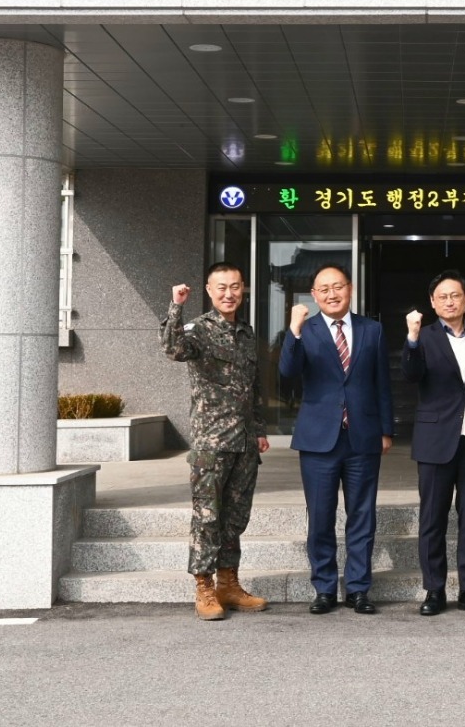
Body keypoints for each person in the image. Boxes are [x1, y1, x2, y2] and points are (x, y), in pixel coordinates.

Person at [279, 263, 394, 615]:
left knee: (362, 516)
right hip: (318, 440)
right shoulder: (305, 330)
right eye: (324, 289)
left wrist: (385, 430)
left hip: (363, 437)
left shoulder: (372, 329)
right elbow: (287, 371)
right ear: (314, 295)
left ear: (350, 288)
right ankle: (325, 588)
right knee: (321, 517)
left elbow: (382, 383)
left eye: (338, 286)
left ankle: (358, 589)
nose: (332, 294)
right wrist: (293, 330)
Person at [161, 262, 270, 621]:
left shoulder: (247, 333)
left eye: (235, 286)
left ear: (243, 289)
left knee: (235, 518)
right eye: (221, 287)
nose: (229, 293)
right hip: (212, 441)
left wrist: (259, 429)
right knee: (207, 517)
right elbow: (173, 349)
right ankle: (204, 587)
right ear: (209, 290)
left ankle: (229, 584)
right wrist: (176, 306)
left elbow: (253, 386)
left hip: (244, 441)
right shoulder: (199, 329)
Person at [402, 270, 465, 617]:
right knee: (432, 519)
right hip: (435, 440)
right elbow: (411, 375)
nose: (449, 301)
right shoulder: (423, 337)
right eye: (442, 297)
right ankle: (434, 590)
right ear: (433, 303)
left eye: (455, 295)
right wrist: (411, 337)